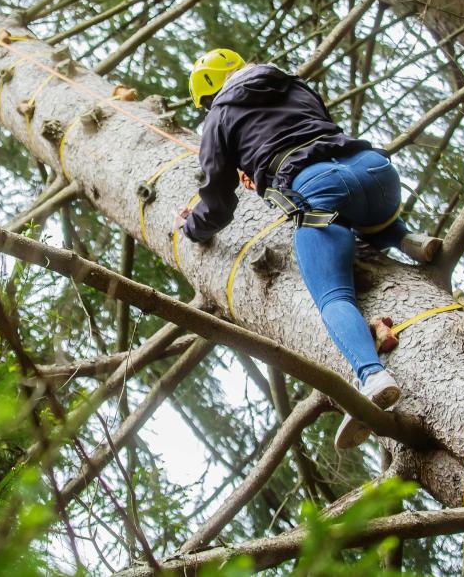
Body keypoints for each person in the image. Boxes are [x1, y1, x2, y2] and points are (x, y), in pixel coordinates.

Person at [175, 48, 441, 449]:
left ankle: (372, 376)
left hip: (320, 193)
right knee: (358, 196)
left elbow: (217, 202)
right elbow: (309, 133)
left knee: (333, 294)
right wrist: (261, 172)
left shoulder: (218, 117)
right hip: (376, 170)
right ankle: (404, 238)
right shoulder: (290, 81)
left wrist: (191, 228)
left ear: (209, 97)